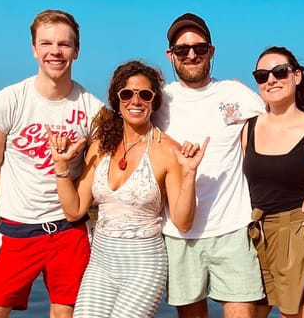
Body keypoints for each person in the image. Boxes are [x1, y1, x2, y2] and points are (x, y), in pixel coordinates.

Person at [153, 13, 304, 318]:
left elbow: (292, 126)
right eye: (182, 49)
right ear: (171, 55)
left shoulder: (236, 94)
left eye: (200, 48)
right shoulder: (159, 101)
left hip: (233, 229)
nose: (192, 54)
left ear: (212, 51)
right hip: (178, 234)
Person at [48, 60, 207, 318]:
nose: (136, 101)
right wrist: (61, 165)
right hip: (101, 263)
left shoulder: (168, 151)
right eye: (127, 94)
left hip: (144, 265)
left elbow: (183, 222)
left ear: (154, 102)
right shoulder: (100, 146)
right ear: (117, 99)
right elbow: (74, 210)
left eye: (145, 94)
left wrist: (189, 174)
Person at [0, 9, 103, 318]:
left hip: (70, 233)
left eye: (64, 44)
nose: (55, 51)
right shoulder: (8, 101)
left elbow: (90, 177)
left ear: (76, 50)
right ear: (34, 49)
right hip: (16, 232)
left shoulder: (94, 111)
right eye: (46, 43)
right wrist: (9, 201)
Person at [243, 46, 304, 318]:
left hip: (298, 235)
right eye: (262, 75)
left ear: (297, 76)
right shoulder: (248, 129)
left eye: (279, 72)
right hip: (253, 236)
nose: (270, 80)